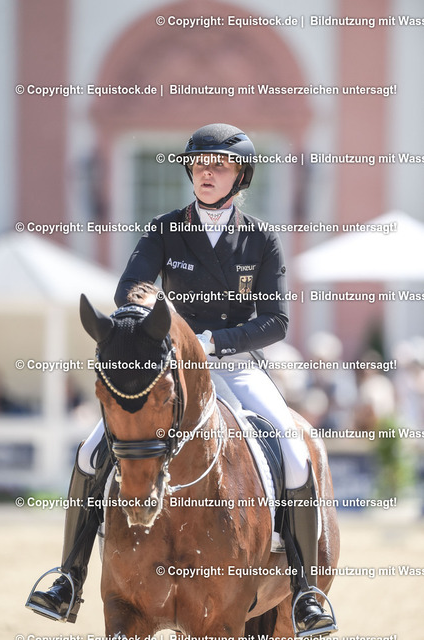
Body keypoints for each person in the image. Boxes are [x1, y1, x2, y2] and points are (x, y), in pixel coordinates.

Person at [26, 123, 337, 637]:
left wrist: (213, 343)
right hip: (168, 364)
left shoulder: (261, 239)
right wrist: (156, 317)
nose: (206, 173)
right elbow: (131, 287)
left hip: (235, 365)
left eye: (219, 165)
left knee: (296, 451)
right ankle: (69, 576)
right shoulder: (164, 229)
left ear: (241, 176)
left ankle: (303, 588)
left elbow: (276, 321)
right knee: (89, 452)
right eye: (199, 164)